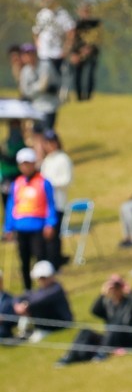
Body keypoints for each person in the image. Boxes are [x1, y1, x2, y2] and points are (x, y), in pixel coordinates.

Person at [57, 274, 132, 366]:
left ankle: (102, 353)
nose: (115, 289)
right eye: (112, 286)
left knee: (115, 325)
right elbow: (94, 311)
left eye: (117, 286)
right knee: (85, 331)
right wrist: (102, 294)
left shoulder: (129, 302)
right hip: (110, 339)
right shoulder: (107, 303)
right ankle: (70, 356)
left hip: (127, 340)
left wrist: (130, 292)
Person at [3, 148, 57, 291]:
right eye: (23, 164)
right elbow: (11, 206)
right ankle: (28, 290)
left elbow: (50, 204)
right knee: (24, 261)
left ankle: (45, 289)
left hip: (37, 227)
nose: (25, 167)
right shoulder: (17, 183)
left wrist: (50, 223)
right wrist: (8, 227)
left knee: (40, 259)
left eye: (28, 163)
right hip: (21, 227)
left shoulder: (43, 182)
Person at [10, 260, 73, 342]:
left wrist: (26, 305)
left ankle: (32, 332)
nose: (42, 281)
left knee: (34, 306)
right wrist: (17, 305)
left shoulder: (56, 289)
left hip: (61, 323)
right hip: (48, 324)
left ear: (52, 276)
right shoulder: (40, 290)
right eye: (40, 278)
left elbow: (40, 300)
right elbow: (18, 297)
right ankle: (25, 332)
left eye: (44, 278)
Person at [37, 130, 71, 269]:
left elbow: (66, 180)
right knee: (45, 235)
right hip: (44, 205)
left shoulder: (63, 159)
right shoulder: (47, 160)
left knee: (54, 234)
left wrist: (49, 185)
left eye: (52, 142)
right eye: (47, 142)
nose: (50, 145)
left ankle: (55, 262)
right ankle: (48, 262)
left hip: (58, 202)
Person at [32, 0, 74, 78]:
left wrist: (66, 49)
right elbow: (36, 32)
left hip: (57, 52)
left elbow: (70, 32)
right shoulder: (41, 14)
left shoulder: (63, 14)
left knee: (56, 78)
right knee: (44, 77)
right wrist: (38, 45)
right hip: (44, 53)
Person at [69, 4, 101, 102]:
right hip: (78, 53)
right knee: (77, 76)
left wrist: (89, 48)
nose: (85, 13)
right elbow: (71, 39)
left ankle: (88, 97)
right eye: (83, 11)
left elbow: (98, 38)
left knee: (90, 75)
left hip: (91, 53)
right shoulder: (75, 23)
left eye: (87, 11)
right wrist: (74, 52)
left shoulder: (95, 23)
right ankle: (79, 97)